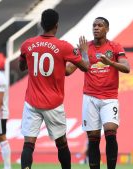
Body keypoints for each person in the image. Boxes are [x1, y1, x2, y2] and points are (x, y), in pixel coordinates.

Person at [19, 9, 89, 169]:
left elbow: (23, 66)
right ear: (56, 26)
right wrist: (84, 54)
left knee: (28, 143)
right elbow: (85, 67)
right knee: (61, 143)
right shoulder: (63, 47)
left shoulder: (27, 45)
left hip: (32, 102)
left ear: (41, 24)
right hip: (54, 104)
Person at [65, 17, 130, 169]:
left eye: (100, 25)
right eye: (94, 25)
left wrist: (110, 63)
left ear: (106, 29)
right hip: (90, 97)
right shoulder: (85, 47)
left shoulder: (115, 47)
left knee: (110, 132)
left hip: (109, 98)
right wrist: (77, 56)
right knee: (93, 139)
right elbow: (68, 70)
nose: (96, 28)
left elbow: (127, 68)